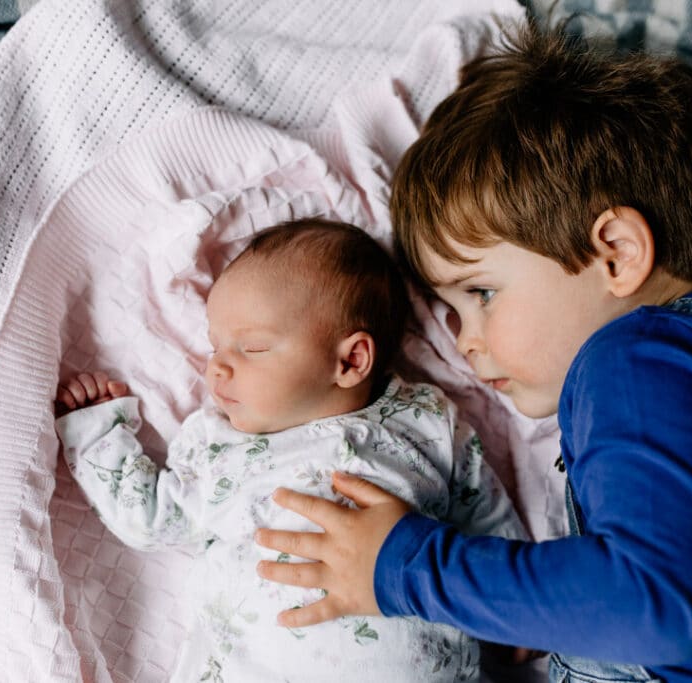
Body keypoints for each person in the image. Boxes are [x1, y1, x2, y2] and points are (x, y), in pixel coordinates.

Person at [253, 19, 692, 683]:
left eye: (482, 291)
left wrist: (405, 567)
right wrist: (534, 608)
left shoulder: (631, 360)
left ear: (615, 252)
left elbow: (650, 603)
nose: (465, 340)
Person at [54, 219, 527, 682]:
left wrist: (516, 604)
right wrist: (100, 435)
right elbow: (153, 517)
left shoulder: (424, 417)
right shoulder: (220, 444)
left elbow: (480, 507)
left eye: (252, 348)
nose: (218, 367)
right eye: (216, 346)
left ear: (350, 360)